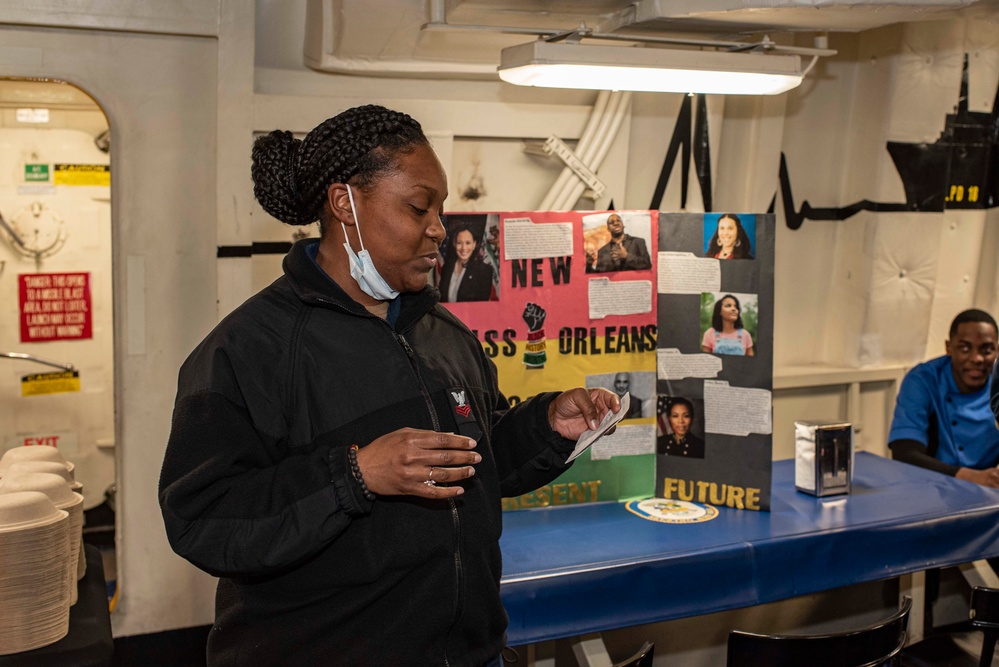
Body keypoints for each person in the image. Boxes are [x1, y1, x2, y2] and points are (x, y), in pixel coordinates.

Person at [157, 104, 619, 667]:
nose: (439, 229)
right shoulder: (248, 350)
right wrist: (355, 474)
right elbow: (204, 519)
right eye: (419, 207)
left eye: (442, 209)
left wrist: (547, 427)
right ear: (343, 204)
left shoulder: (444, 334)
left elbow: (481, 460)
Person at [889, 309, 999, 487]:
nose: (976, 358)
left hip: (987, 489)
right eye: (964, 348)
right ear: (948, 348)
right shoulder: (923, 380)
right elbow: (905, 452)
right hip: (930, 485)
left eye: (986, 350)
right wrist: (970, 477)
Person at [438, 225, 494, 302]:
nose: (463, 248)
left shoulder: (484, 271)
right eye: (459, 243)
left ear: (474, 244)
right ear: (454, 244)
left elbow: (481, 306)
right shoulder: (446, 267)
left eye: (468, 243)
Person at [585, 213, 652, 273]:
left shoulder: (638, 242)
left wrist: (626, 256)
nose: (616, 223)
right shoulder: (602, 251)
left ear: (623, 225)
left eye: (618, 220)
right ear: (608, 229)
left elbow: (647, 264)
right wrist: (589, 264)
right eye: (612, 222)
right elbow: (599, 277)